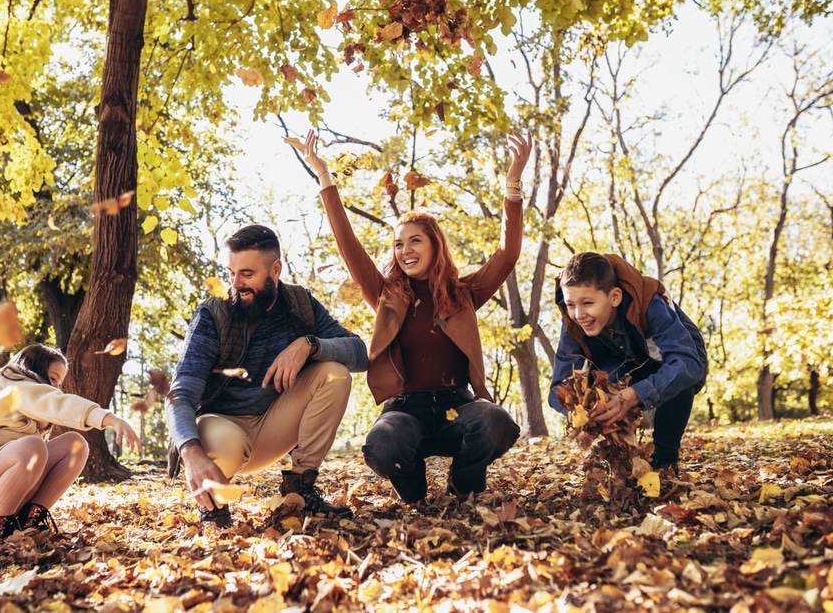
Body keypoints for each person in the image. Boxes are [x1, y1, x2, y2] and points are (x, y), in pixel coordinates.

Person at [301, 129, 531, 504]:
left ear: (434, 244)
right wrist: (324, 177)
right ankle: (415, 494)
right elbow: (348, 245)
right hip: (405, 412)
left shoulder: (464, 294)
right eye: (398, 244)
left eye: (415, 241)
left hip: (460, 406)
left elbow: (507, 255)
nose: (405, 250)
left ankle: (463, 484)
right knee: (383, 444)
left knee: (495, 422)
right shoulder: (387, 295)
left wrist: (513, 183)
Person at [166, 224, 369, 528]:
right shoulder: (213, 314)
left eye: (247, 274)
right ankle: (213, 507)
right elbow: (180, 393)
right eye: (231, 273)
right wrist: (190, 451)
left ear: (275, 269)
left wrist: (309, 345)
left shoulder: (300, 305)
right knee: (219, 441)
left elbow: (360, 354)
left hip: (275, 425)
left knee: (335, 373)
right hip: (223, 428)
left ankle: (299, 493)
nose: (236, 284)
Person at [0, 343, 140, 541]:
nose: (57, 387)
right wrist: (111, 418)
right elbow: (55, 402)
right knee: (32, 447)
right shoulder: (13, 385)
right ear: (33, 371)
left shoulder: (26, 414)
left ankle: (29, 524)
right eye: (53, 378)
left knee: (75, 445)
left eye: (60, 382)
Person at [548, 252, 708, 470]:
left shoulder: (649, 303)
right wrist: (584, 412)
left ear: (614, 297)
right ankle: (622, 458)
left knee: (679, 378)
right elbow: (558, 388)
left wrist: (633, 395)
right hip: (624, 360)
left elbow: (687, 364)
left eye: (587, 302)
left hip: (678, 355)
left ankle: (665, 462)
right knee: (605, 380)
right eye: (571, 304)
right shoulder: (574, 322)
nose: (579, 314)